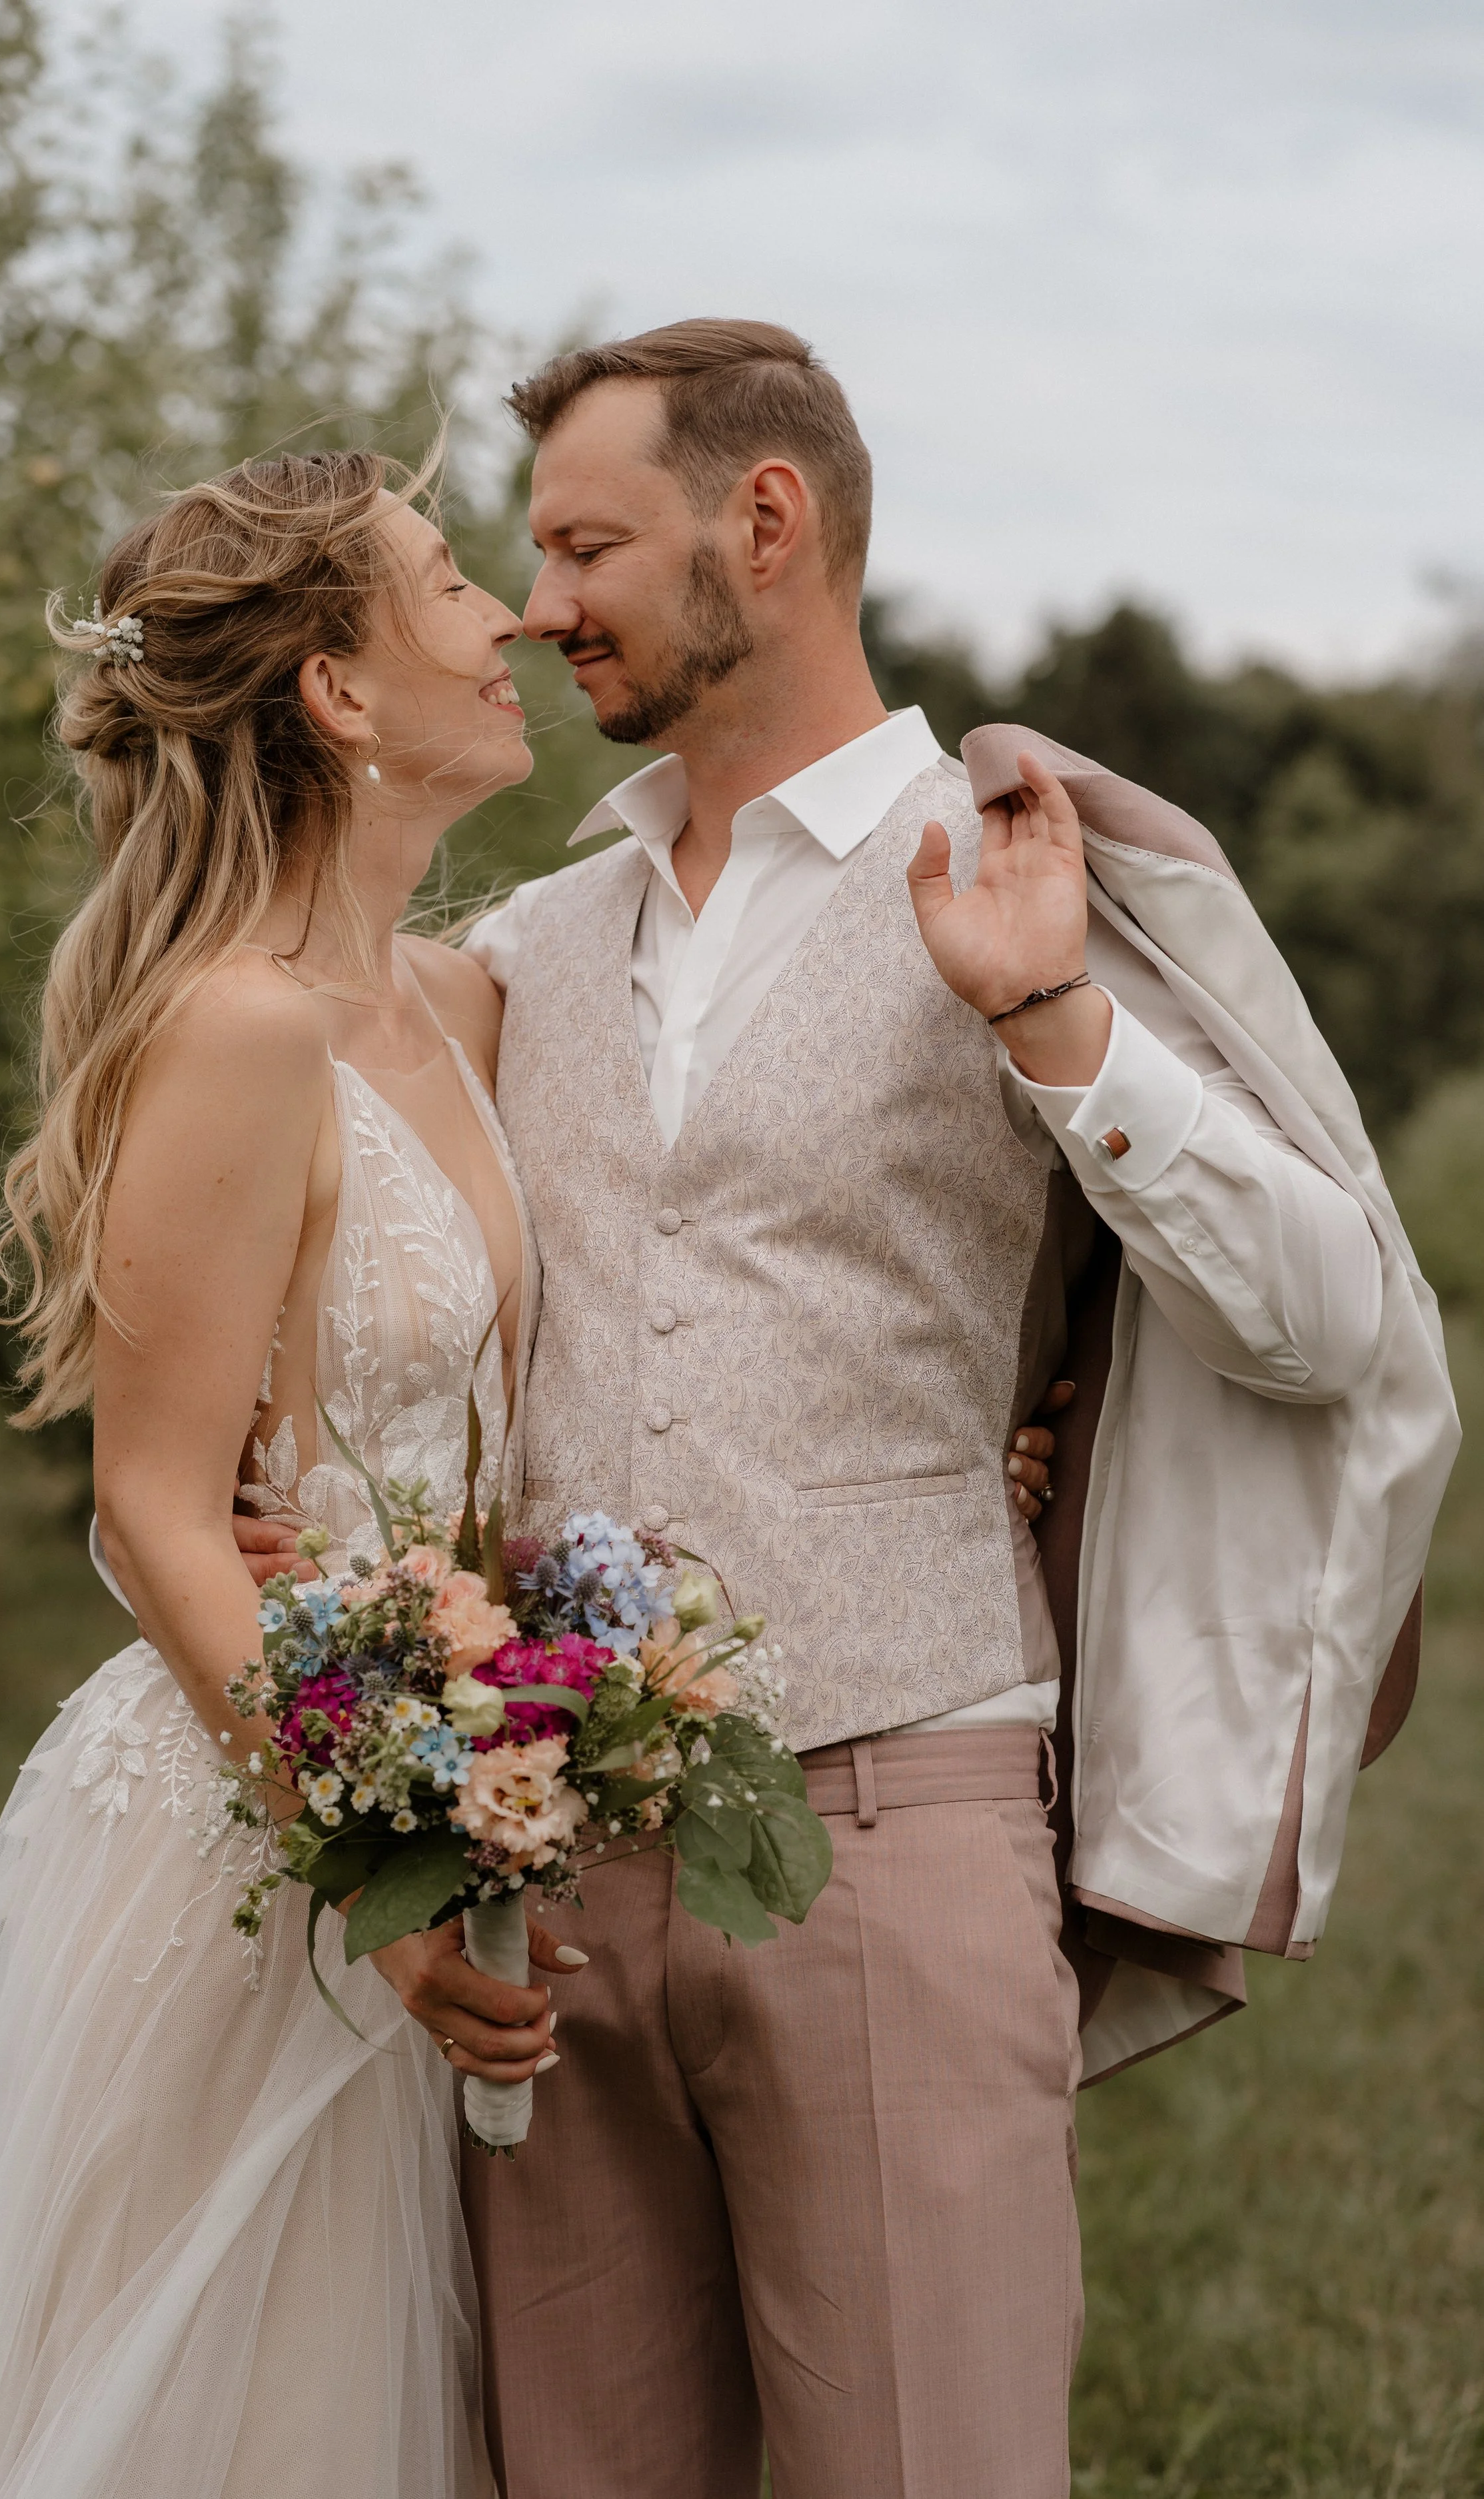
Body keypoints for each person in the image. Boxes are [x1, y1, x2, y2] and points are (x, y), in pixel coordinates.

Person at [408, 321, 1457, 2499]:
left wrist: (1059, 1017)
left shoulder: (1020, 866)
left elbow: (1331, 1318)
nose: (537, 602)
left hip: (895, 1826)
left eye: (589, 540)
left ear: (762, 525)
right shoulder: (535, 925)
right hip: (553, 1856)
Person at [0, 448, 582, 2499]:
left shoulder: (453, 998)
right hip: (249, 1842)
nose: (507, 612)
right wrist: (374, 1876)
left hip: (423, 1795)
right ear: (336, 691)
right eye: (449, 578)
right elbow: (153, 1505)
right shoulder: (241, 1031)